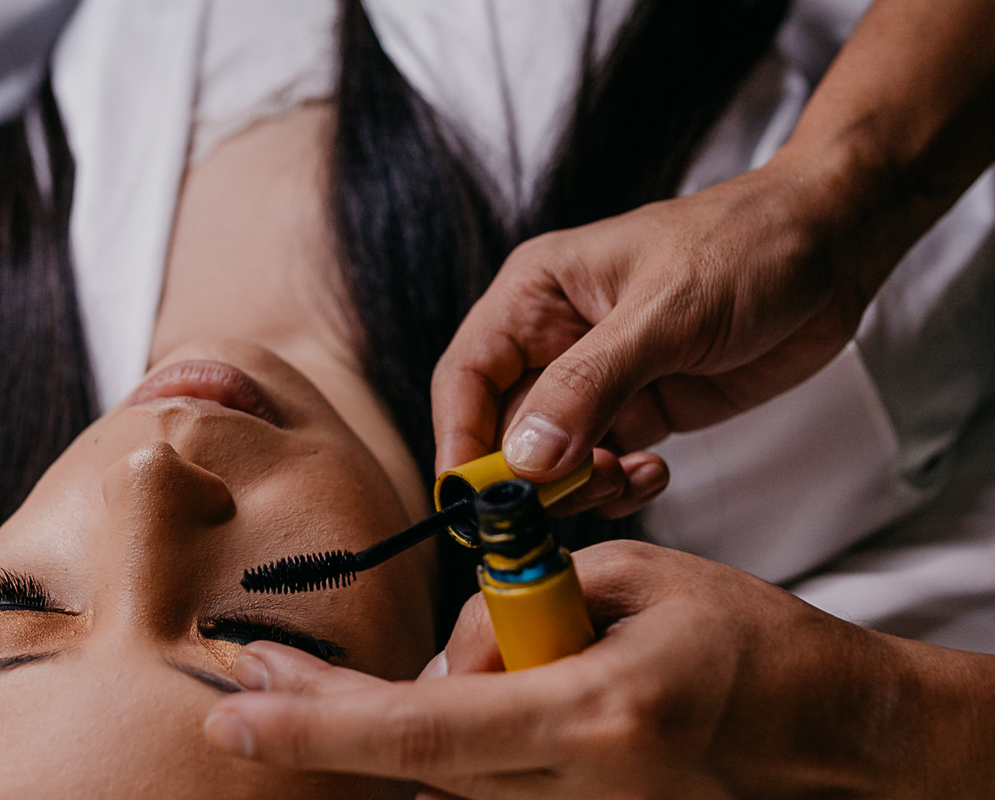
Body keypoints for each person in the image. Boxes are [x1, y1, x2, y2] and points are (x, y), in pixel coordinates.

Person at [193, 0, 995, 796]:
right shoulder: (827, 413)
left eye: (57, 604)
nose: (146, 475)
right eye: (257, 627)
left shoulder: (75, 270)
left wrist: (830, 192)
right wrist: (880, 715)